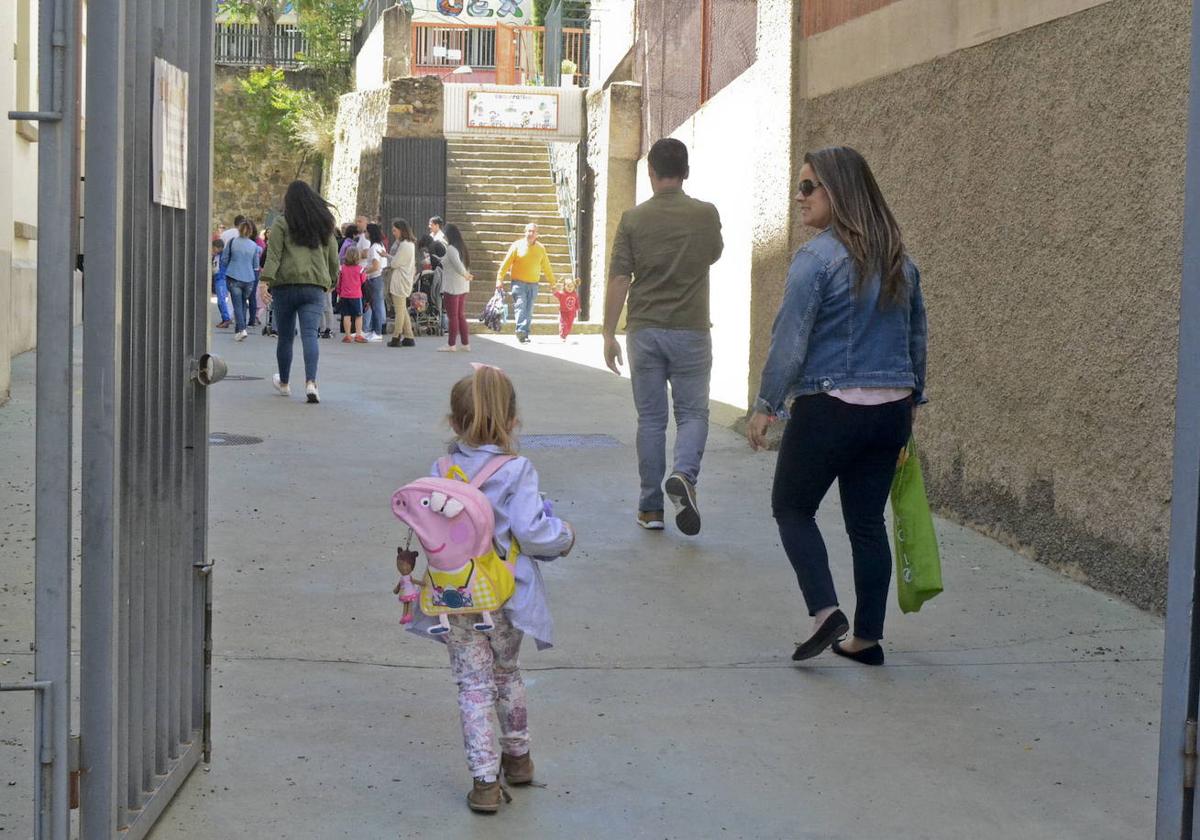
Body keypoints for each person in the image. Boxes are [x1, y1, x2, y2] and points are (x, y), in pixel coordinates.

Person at [746, 146, 928, 667]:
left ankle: (826, 613)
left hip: (831, 407)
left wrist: (766, 404)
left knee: (792, 508)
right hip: (890, 411)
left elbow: (789, 338)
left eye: (808, 187)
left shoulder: (818, 259)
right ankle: (867, 638)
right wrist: (913, 398)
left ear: (838, 192)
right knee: (866, 524)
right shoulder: (899, 257)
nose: (798, 197)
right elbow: (918, 335)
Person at [406, 364, 575, 812]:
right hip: (506, 596)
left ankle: (484, 783)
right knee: (507, 673)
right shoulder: (518, 470)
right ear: (513, 422)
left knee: (472, 686)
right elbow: (534, 533)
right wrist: (566, 537)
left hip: (456, 597)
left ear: (454, 423)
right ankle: (518, 759)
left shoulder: (439, 468)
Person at [602, 138, 724, 535]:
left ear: (651, 173)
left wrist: (607, 332)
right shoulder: (705, 214)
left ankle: (650, 508)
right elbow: (713, 253)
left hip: (645, 331)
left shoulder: (633, 219)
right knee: (692, 413)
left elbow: (620, 277)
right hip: (690, 329)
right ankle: (684, 475)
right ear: (686, 172)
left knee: (651, 420)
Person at [260, 180, 340, 405]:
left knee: (285, 337)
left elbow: (273, 255)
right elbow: (334, 257)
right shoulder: (324, 224)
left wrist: (264, 282)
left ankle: (284, 383)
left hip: (285, 285)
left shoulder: (281, 223)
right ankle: (311, 383)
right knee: (309, 335)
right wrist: (332, 279)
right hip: (314, 286)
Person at [496, 223, 556, 344]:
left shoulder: (541, 249)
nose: (530, 233)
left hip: (533, 284)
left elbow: (547, 267)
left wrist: (552, 283)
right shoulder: (517, 246)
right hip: (518, 284)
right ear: (525, 232)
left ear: (537, 234)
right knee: (521, 306)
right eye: (528, 231)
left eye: (533, 231)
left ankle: (525, 332)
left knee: (529, 309)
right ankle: (521, 332)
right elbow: (506, 263)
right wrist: (499, 278)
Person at [222, 220, 264, 342]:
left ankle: (241, 329)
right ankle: (239, 330)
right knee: (243, 302)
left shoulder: (232, 242)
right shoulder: (254, 246)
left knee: (237, 304)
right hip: (249, 279)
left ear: (239, 230)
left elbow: (224, 259)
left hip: (234, 275)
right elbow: (256, 265)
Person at [439, 223, 473, 352]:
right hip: (462, 286)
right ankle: (465, 343)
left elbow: (458, 266)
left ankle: (451, 344)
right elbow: (452, 262)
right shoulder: (461, 247)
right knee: (460, 315)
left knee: (453, 316)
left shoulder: (451, 248)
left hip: (452, 287)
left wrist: (466, 274)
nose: (444, 237)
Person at [387, 219, 417, 348]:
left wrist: (388, 257)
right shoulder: (410, 244)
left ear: (401, 230)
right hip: (405, 279)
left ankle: (396, 336)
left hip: (400, 280)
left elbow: (395, 263)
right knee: (402, 309)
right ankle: (409, 336)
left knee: (399, 310)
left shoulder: (404, 245)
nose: (393, 233)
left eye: (395, 230)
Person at [362, 223, 389, 342]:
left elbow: (376, 266)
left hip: (375, 278)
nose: (364, 234)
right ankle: (374, 330)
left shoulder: (373, 248)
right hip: (377, 278)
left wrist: (364, 271)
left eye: (366, 232)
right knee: (374, 305)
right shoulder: (379, 245)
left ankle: (377, 331)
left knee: (376, 305)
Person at [336, 249, 368, 344]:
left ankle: (348, 335)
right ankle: (358, 335)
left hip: (344, 295)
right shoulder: (360, 269)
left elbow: (339, 282)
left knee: (346, 315)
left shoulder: (342, 268)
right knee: (358, 315)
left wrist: (339, 292)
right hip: (356, 295)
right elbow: (363, 281)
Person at [211, 238, 232, 328]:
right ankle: (225, 318)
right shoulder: (215, 256)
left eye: (214, 248)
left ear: (219, 248)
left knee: (221, 300)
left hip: (221, 278)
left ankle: (226, 318)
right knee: (220, 300)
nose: (213, 249)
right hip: (218, 278)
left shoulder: (223, 256)